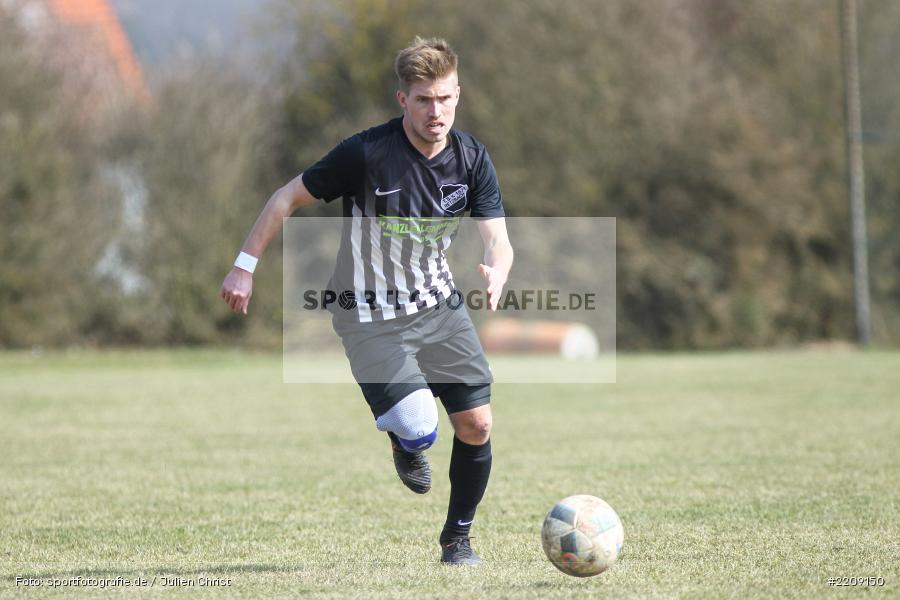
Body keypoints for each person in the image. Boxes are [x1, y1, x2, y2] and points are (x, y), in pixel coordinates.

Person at [220, 37, 513, 566]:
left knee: (478, 424)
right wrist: (244, 266)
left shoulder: (471, 159)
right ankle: (405, 441)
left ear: (458, 95)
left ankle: (457, 540)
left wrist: (499, 269)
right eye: (424, 100)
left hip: (438, 307)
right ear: (403, 100)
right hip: (369, 316)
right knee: (422, 427)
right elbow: (285, 197)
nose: (436, 112)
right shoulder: (365, 153)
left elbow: (498, 236)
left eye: (445, 99)